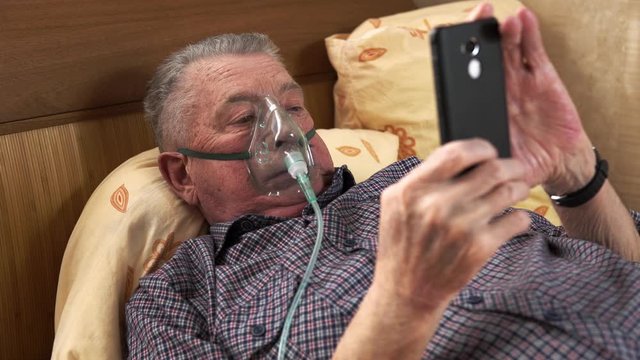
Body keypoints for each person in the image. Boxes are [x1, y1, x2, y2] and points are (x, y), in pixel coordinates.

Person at [126, 3, 640, 359]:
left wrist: (578, 181)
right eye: (244, 120)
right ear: (181, 173)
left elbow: (625, 264)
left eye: (292, 107)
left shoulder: (420, 181)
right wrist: (404, 302)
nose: (284, 134)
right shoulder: (179, 298)